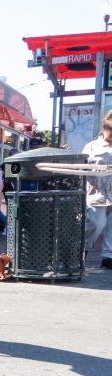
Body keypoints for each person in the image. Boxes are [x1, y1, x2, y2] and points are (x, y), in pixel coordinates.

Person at [82, 111, 112, 269]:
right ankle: (83, 249)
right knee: (95, 223)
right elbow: (81, 166)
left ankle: (109, 257)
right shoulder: (92, 146)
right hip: (97, 191)